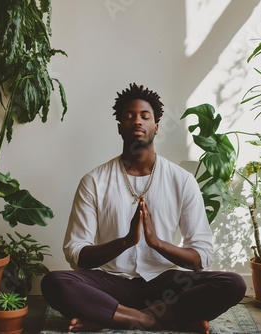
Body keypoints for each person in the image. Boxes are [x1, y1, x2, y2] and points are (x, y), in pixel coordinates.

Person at [41, 83, 246, 333]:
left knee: (232, 283)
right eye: (129, 116)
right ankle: (157, 319)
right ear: (119, 128)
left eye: (144, 116)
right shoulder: (94, 181)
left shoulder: (181, 180)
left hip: (165, 285)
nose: (137, 121)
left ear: (156, 127)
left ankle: (108, 316)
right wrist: (125, 242)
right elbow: (76, 253)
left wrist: (157, 243)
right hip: (111, 283)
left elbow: (200, 257)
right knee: (55, 282)